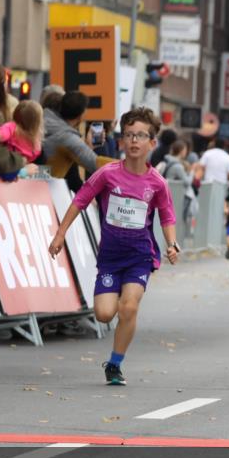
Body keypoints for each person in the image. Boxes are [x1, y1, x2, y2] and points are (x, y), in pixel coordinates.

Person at [48, 107, 178, 387]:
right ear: (121, 142)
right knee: (105, 313)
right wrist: (60, 234)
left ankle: (115, 364)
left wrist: (172, 243)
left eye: (140, 135)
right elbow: (81, 199)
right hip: (110, 257)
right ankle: (114, 352)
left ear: (151, 143)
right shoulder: (108, 174)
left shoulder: (157, 183)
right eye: (129, 135)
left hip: (140, 256)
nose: (133, 141)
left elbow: (167, 216)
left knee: (129, 307)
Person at [42, 90, 100, 193]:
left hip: (26, 178)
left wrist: (87, 146)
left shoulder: (43, 118)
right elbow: (95, 164)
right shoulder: (67, 138)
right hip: (44, 188)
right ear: (81, 116)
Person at [0, 99, 43, 182]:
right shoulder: (36, 140)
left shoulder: (11, 127)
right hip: (18, 173)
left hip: (5, 172)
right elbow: (35, 153)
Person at [160, 139, 197, 239]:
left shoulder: (166, 161)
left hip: (166, 196)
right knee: (174, 222)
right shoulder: (178, 166)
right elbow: (187, 182)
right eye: (185, 150)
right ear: (181, 150)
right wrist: (192, 172)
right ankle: (174, 245)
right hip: (175, 198)